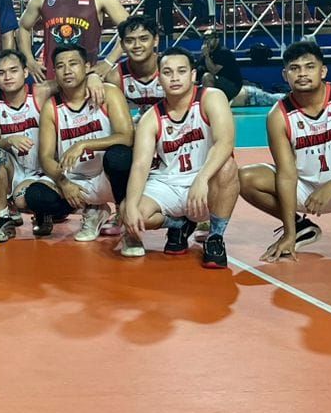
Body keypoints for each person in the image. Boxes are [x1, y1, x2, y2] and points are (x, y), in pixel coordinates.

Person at [239, 41, 331, 260]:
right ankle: (300, 228)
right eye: (294, 68)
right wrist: (289, 233)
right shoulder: (278, 116)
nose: (302, 74)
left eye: (310, 67)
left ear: (323, 71)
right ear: (285, 75)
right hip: (304, 187)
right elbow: (286, 175)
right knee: (244, 178)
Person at [119, 49, 239, 267]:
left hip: (206, 182)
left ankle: (215, 237)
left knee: (227, 166)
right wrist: (131, 207)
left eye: (181, 71)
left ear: (192, 75)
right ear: (159, 78)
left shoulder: (211, 97)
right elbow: (140, 165)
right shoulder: (151, 118)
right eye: (167, 72)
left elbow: (225, 142)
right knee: (129, 211)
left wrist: (201, 179)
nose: (174, 78)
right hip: (169, 184)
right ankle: (178, 224)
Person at [27, 45, 135, 240]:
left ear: (86, 67)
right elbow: (45, 157)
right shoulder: (52, 107)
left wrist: (83, 145)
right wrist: (64, 183)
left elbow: (127, 137)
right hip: (76, 180)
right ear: (55, 72)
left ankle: (123, 212)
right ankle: (93, 210)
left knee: (120, 156)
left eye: (73, 64)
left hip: (106, 177)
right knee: (35, 196)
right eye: (60, 66)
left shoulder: (108, 93)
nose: (67, 71)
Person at [0, 49, 55, 242]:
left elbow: (75, 82)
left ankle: (43, 211)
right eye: (1, 73)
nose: (7, 77)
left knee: (24, 199)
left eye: (13, 70)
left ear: (25, 72)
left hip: (46, 167)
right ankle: (4, 219)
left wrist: (93, 79)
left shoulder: (41, 92)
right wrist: (9, 140)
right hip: (17, 169)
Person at [202, 32, 283, 107]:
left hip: (246, 94)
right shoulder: (207, 56)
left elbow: (213, 70)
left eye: (209, 38)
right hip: (234, 92)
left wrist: (206, 56)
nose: (207, 41)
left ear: (217, 39)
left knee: (274, 99)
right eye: (205, 39)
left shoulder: (224, 52)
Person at [114, 14, 165, 118]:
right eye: (129, 41)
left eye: (143, 39)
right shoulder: (115, 77)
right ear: (122, 45)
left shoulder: (170, 69)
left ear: (156, 40)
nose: (137, 45)